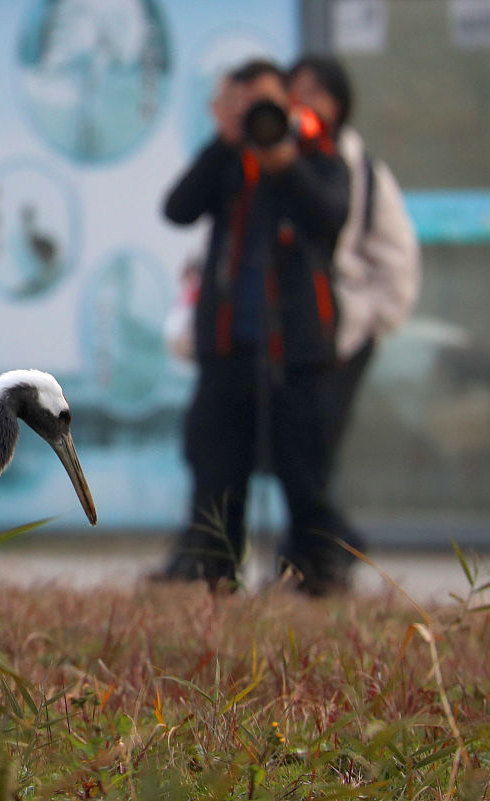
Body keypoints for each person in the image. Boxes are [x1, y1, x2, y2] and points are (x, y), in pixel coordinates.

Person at [156, 59, 362, 595]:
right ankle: (212, 575)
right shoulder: (229, 160)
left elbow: (331, 214)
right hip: (227, 348)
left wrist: (284, 162)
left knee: (304, 470)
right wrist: (226, 141)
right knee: (216, 469)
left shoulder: (320, 158)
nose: (260, 117)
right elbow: (177, 208)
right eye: (247, 106)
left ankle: (317, 575)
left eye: (267, 103)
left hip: (298, 350)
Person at [286, 55, 420, 479]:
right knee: (294, 451)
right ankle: (313, 541)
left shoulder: (361, 168)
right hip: (290, 331)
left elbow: (397, 255)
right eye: (296, 91)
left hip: (343, 333)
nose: (304, 103)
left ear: (340, 104)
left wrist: (369, 319)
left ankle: (325, 542)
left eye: (316, 93)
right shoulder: (274, 159)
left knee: (315, 448)